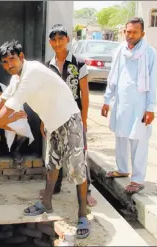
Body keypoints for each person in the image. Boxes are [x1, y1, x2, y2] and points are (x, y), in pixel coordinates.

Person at [0, 40, 90, 238]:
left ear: (21, 57)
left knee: (77, 169)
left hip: (70, 119)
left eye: (12, 59)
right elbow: (1, 101)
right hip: (53, 123)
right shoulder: (17, 78)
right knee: (52, 166)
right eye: (5, 62)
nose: (9, 65)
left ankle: (83, 215)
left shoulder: (31, 72)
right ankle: (46, 203)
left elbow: (9, 109)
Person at [101, 17, 157, 194]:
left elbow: (153, 82)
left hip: (140, 104)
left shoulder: (149, 53)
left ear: (142, 33)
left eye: (134, 32)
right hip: (121, 102)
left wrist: (150, 108)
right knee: (121, 136)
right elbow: (113, 77)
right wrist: (106, 100)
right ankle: (122, 169)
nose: (130, 35)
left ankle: (138, 179)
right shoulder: (120, 51)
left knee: (138, 140)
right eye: (127, 31)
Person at [44, 24, 97, 207]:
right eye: (54, 40)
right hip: (55, 117)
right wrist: (44, 120)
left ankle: (86, 191)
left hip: (74, 117)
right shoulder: (47, 67)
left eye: (61, 39)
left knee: (80, 154)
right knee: (54, 154)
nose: (58, 43)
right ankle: (55, 187)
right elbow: (47, 96)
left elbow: (85, 94)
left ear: (67, 39)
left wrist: (84, 120)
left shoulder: (79, 63)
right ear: (50, 42)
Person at [0, 82, 34, 167]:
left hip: (13, 137)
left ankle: (16, 151)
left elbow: (22, 123)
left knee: (23, 129)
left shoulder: (16, 103)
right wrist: (11, 119)